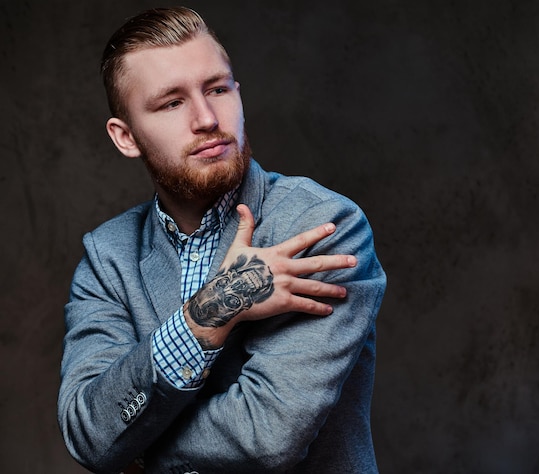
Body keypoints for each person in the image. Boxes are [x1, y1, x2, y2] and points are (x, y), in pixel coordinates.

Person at [57, 6, 386, 474]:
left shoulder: (322, 224)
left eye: (217, 89)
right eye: (171, 103)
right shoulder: (107, 257)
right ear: (125, 137)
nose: (207, 118)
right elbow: (87, 433)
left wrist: (137, 449)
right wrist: (210, 311)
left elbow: (267, 437)